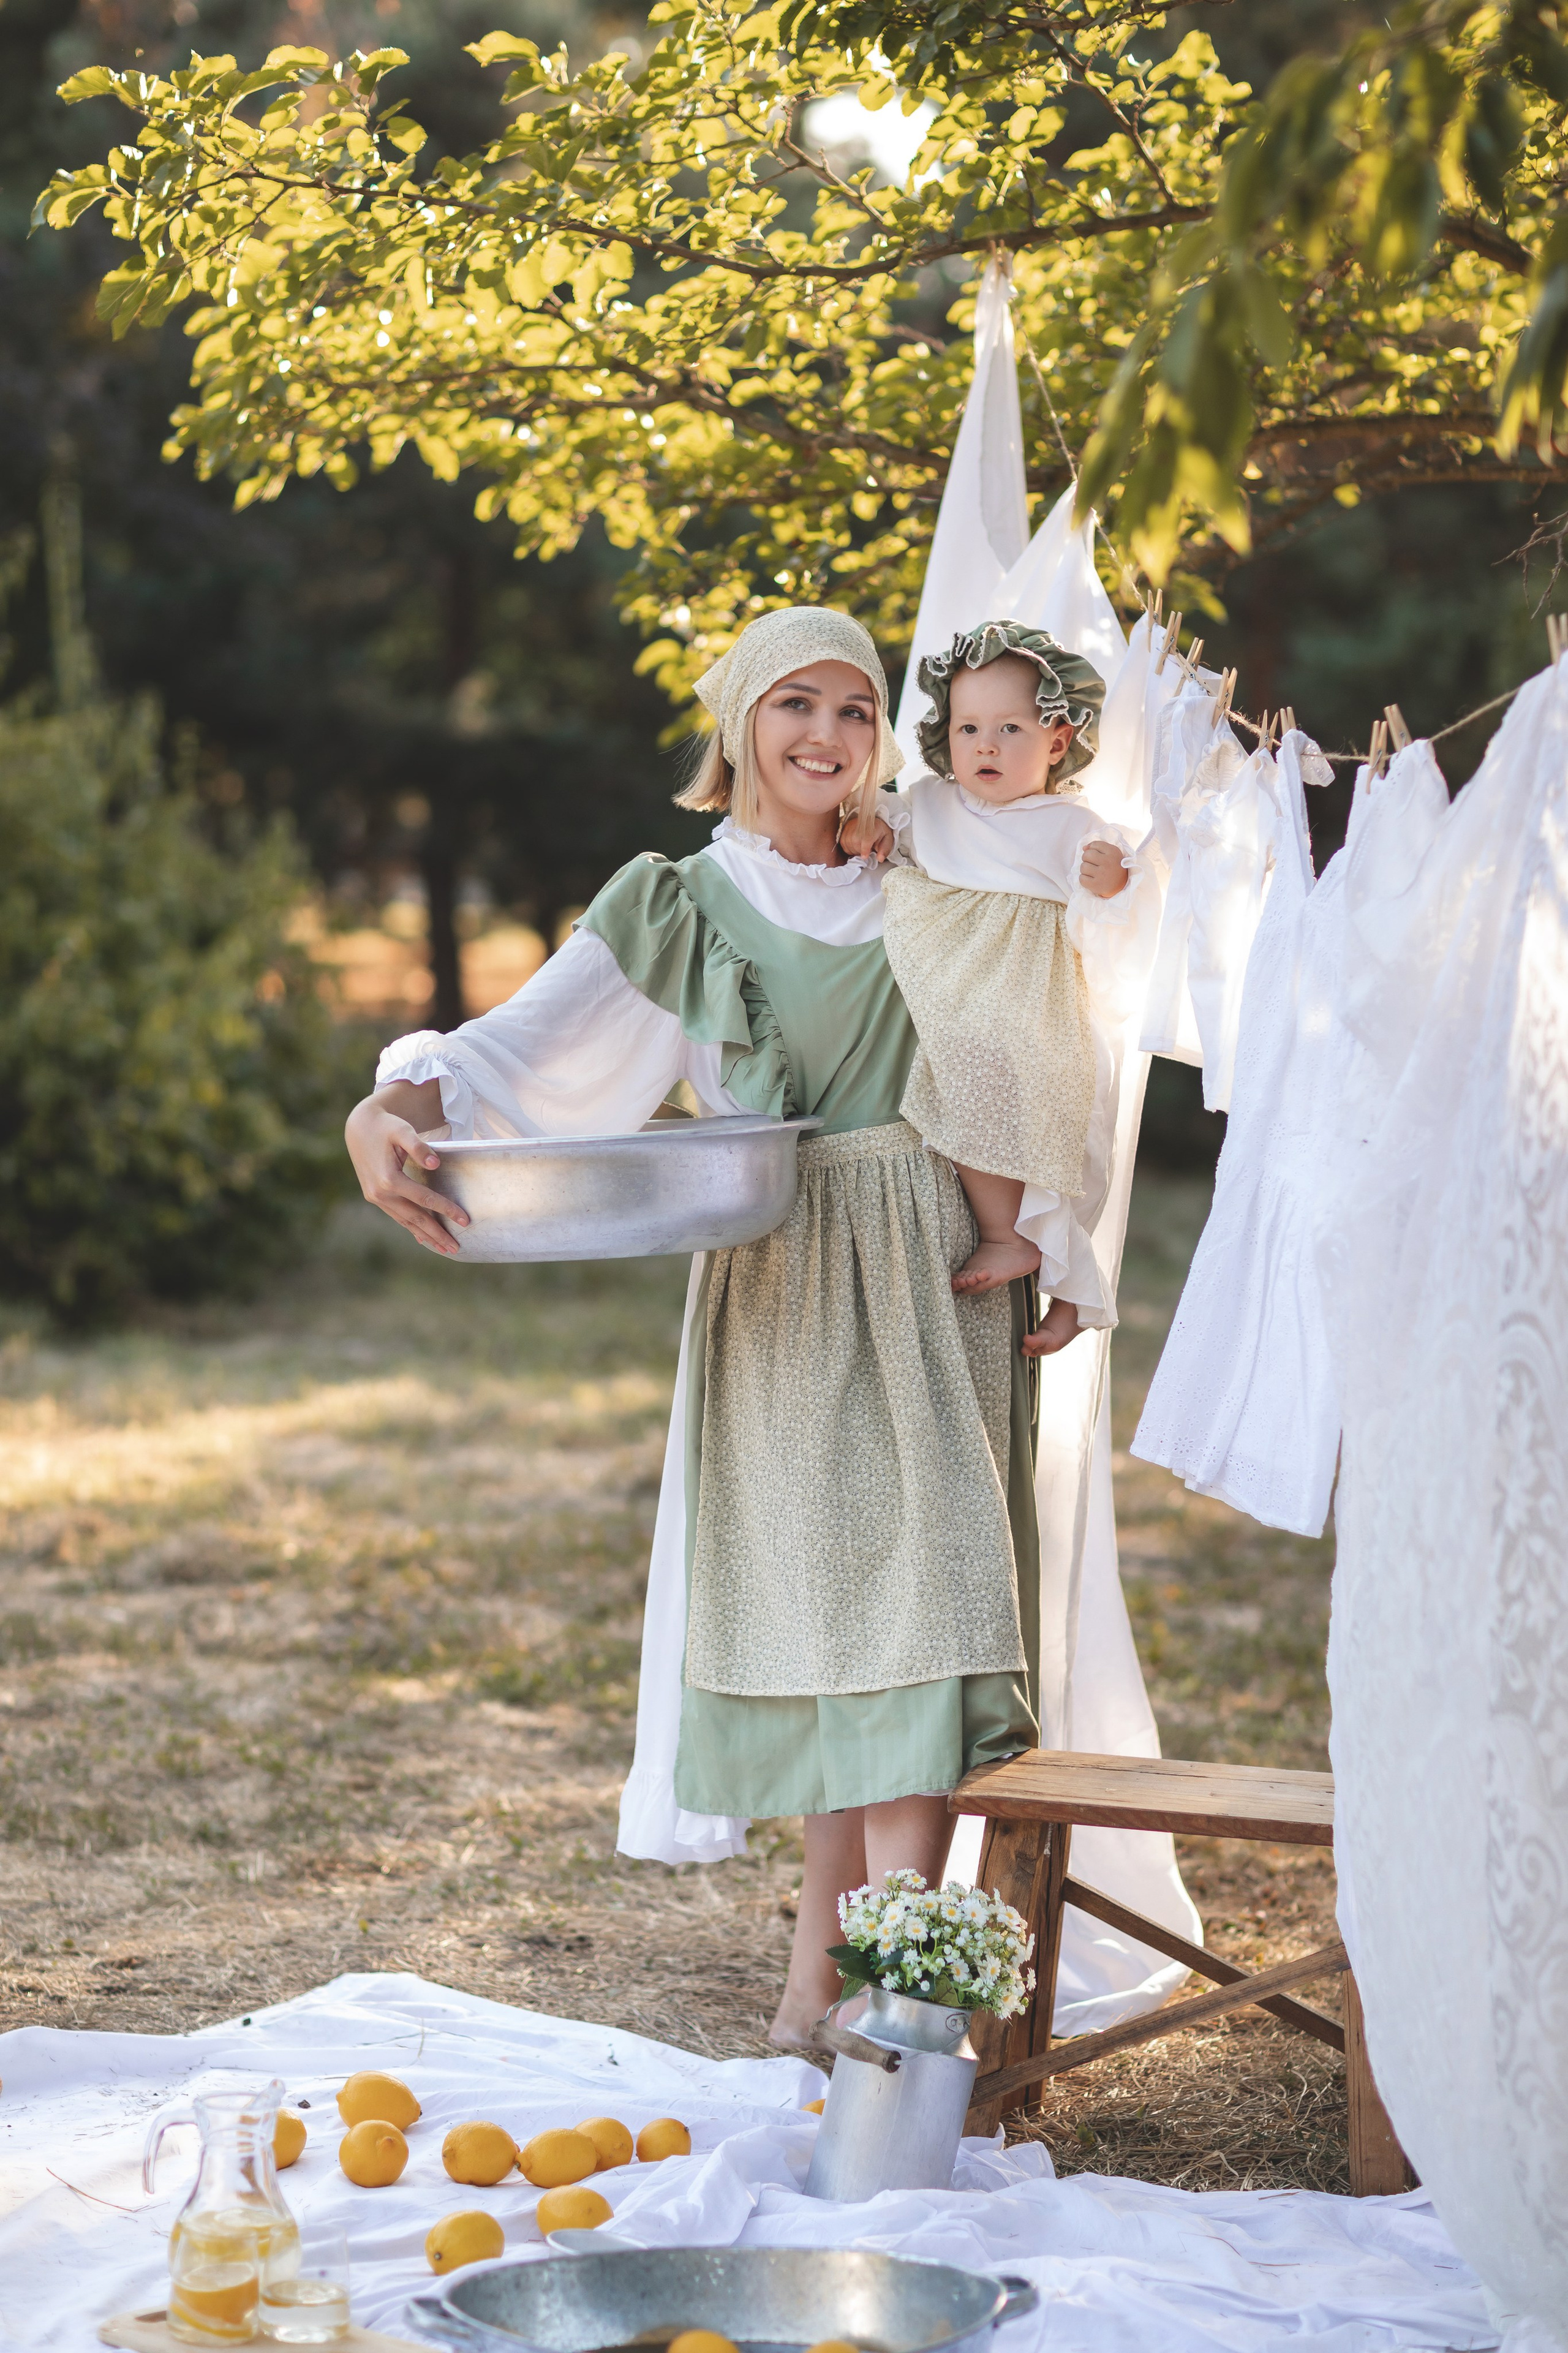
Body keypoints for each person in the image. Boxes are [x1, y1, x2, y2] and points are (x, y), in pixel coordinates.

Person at [343, 607, 1044, 2046]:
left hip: (938, 1265)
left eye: (855, 710)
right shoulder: (677, 902)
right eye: (793, 703)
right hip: (784, 1273)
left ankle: (864, 1995)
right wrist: (386, 1107)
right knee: (832, 1622)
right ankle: (850, 1987)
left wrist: (1061, 1246)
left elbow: (1030, 1045)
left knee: (919, 1616)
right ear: (734, 724)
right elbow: (507, 1054)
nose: (825, 738)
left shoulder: (932, 862)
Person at [845, 620, 1152, 1352]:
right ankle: (1003, 1236)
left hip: (1035, 999)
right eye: (968, 727)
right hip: (959, 988)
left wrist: (1113, 885)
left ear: (1056, 739)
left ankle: (1069, 1292)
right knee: (972, 1073)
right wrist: (870, 834)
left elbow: (1122, 921)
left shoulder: (1073, 825)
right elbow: (879, 824)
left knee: (1065, 1124)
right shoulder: (931, 804)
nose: (984, 744)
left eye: (1009, 727)